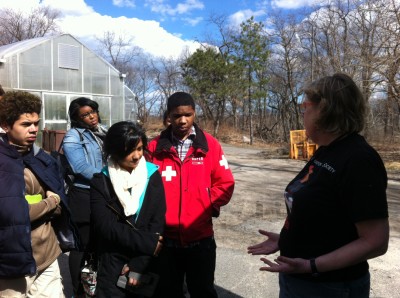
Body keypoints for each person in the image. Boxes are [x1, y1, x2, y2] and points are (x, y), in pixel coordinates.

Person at [248, 73, 389, 298]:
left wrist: (310, 265)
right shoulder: (328, 149)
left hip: (330, 286)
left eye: (306, 106)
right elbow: (327, 216)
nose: (303, 113)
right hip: (301, 280)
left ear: (326, 109)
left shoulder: (359, 160)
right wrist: (286, 239)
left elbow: (375, 242)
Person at [147, 91, 235, 298]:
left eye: (188, 114)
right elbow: (144, 189)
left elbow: (225, 183)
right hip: (164, 241)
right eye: (177, 115)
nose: (183, 120)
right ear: (168, 116)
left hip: (200, 240)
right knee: (167, 292)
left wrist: (205, 205)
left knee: (203, 291)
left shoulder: (210, 145)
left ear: (195, 114)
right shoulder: (154, 147)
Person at [0, 91, 73, 297]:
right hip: (12, 262)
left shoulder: (42, 159)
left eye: (36, 123)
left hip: (47, 255)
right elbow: (13, 214)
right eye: (25, 124)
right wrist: (50, 202)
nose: (33, 129)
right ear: (6, 126)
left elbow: (62, 206)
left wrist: (52, 203)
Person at [90, 121, 165, 297]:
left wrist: (139, 264)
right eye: (129, 150)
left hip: (145, 262)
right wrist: (148, 243)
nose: (137, 155)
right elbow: (105, 226)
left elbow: (157, 222)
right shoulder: (100, 182)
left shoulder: (152, 175)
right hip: (111, 262)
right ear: (114, 150)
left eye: (140, 148)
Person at [62, 97, 108, 297]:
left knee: (99, 241)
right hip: (83, 194)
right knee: (82, 244)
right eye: (85, 115)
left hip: (103, 193)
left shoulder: (104, 131)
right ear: (76, 118)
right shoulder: (73, 136)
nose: (91, 117)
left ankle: (95, 285)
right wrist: (106, 178)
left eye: (93, 112)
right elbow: (79, 166)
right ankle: (78, 291)